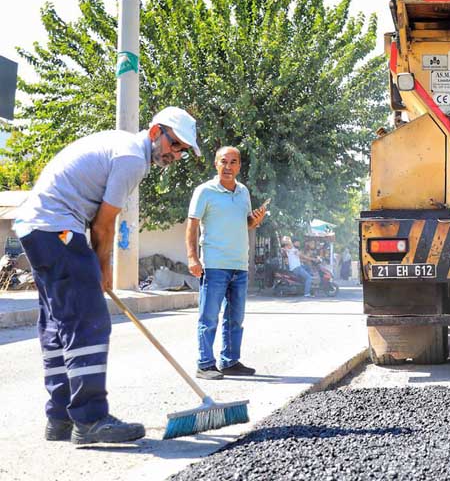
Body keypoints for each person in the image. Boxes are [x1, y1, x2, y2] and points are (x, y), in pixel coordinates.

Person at [14, 107, 200, 444]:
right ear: (156, 131)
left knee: (59, 323)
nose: (175, 153)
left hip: (35, 228)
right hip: (57, 227)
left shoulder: (121, 146)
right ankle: (90, 419)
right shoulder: (133, 159)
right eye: (174, 143)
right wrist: (103, 270)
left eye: (182, 150)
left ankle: (60, 419)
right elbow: (103, 224)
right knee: (89, 320)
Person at [187, 147, 267, 380]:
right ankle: (205, 363)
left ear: (240, 166)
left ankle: (230, 361)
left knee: (236, 318)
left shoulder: (243, 192)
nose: (228, 167)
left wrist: (255, 220)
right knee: (209, 317)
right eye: (224, 162)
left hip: (239, 265)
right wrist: (193, 257)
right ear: (216, 164)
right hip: (214, 265)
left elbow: (245, 223)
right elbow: (192, 226)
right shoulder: (204, 192)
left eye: (233, 162)